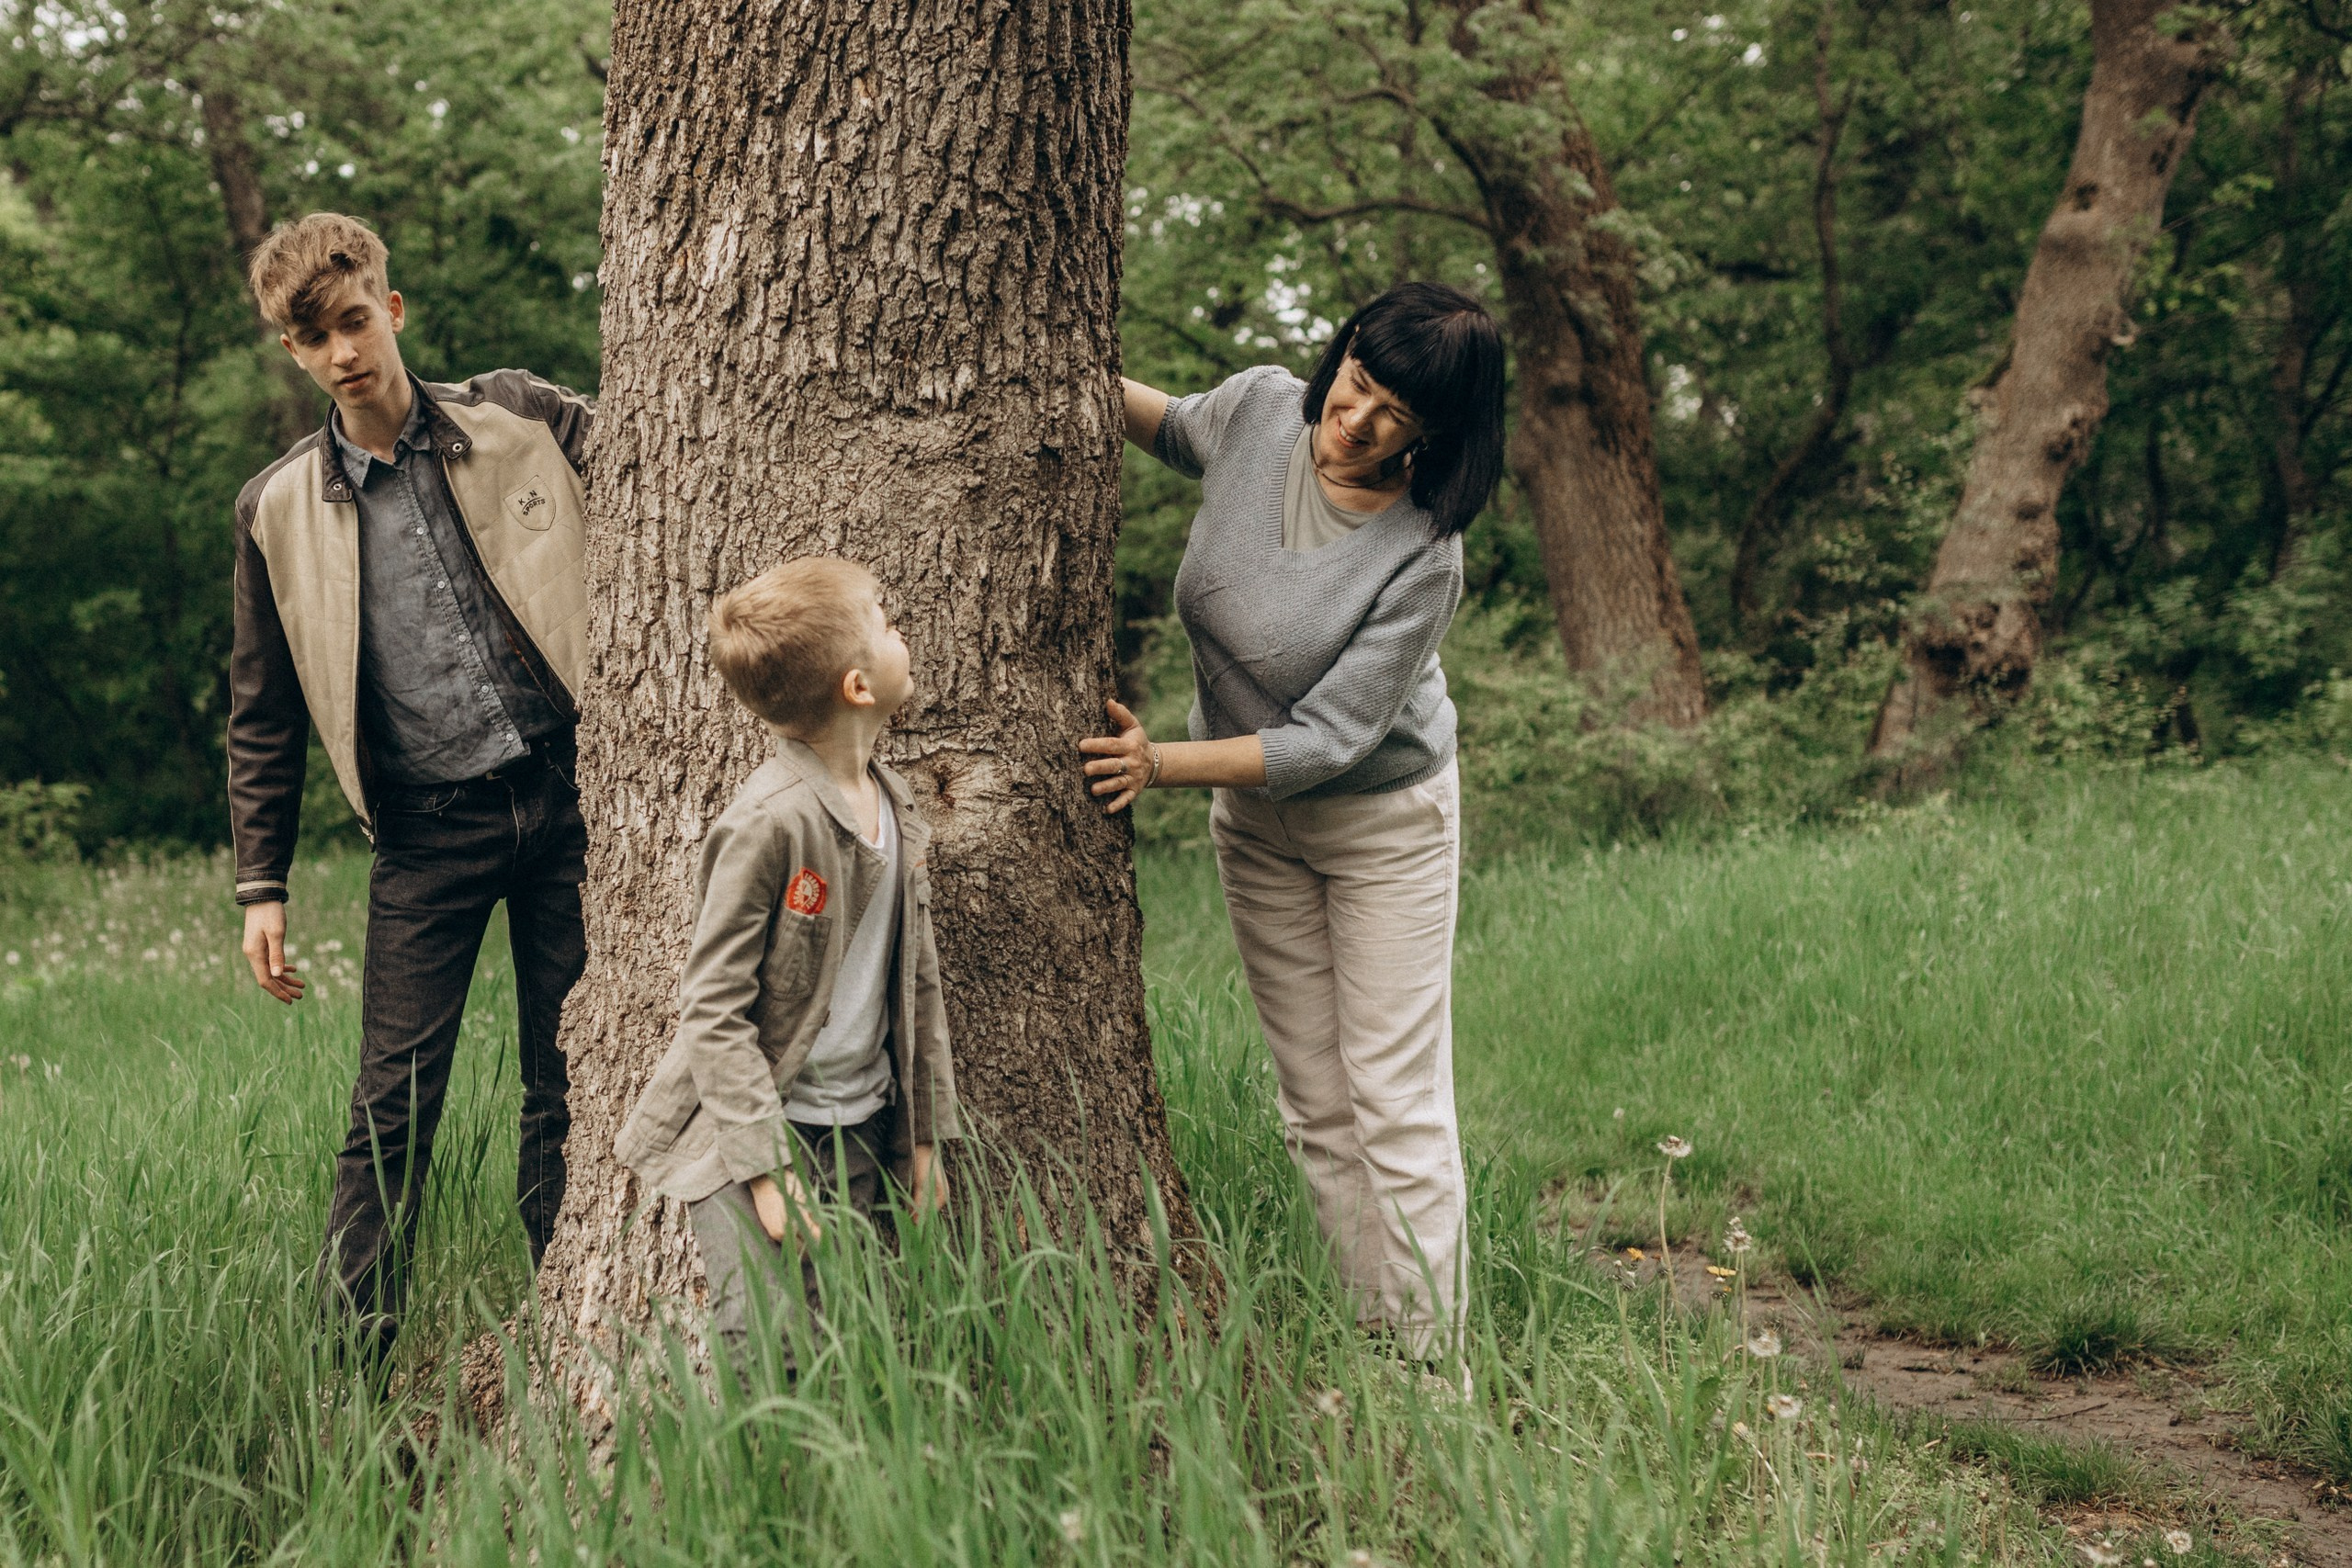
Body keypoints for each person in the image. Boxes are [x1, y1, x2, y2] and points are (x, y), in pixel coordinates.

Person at [1083, 282, 1506, 1371]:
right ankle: (1376, 1353)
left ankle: (1432, 1378)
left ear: (1434, 433)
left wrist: (1160, 764)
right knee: (1315, 1104)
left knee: (1393, 1104)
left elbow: (1332, 740)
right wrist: (1055, 368)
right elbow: (1169, 424)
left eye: (1395, 415)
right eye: (1359, 381)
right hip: (1258, 825)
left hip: (1381, 827)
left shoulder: (1424, 553)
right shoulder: (1264, 409)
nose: (1357, 420)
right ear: (1342, 353)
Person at [227, 212, 594, 1359]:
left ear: (391, 308)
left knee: (568, 1074)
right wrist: (261, 884)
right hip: (428, 835)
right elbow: (263, 707)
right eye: (312, 337)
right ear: (291, 354)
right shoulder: (274, 511)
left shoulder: (520, 417)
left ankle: (569, 1325)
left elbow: (678, 474)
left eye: (352, 320)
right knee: (391, 1111)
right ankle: (356, 1366)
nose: (342, 352)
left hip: (572, 798)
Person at [614, 557, 958, 1377]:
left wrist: (925, 1135)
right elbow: (712, 1008)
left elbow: (918, 982)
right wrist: (765, 1169)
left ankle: (844, 1496)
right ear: (857, 686)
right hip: (754, 1137)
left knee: (856, 1332)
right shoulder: (768, 824)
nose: (901, 633)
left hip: (861, 1122)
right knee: (767, 1344)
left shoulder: (895, 802)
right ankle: (758, 1493)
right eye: (886, 621)